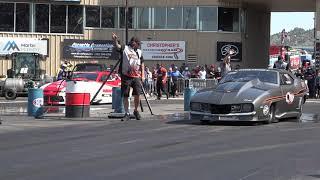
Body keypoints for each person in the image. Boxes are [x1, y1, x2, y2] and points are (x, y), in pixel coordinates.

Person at [112, 33, 144, 121]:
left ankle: (136, 111)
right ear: (133, 43)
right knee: (126, 95)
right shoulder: (125, 48)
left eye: (137, 44)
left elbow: (142, 62)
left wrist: (143, 75)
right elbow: (118, 47)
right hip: (126, 75)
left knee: (137, 94)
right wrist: (115, 40)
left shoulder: (139, 52)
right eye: (136, 43)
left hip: (136, 76)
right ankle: (127, 113)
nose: (137, 45)